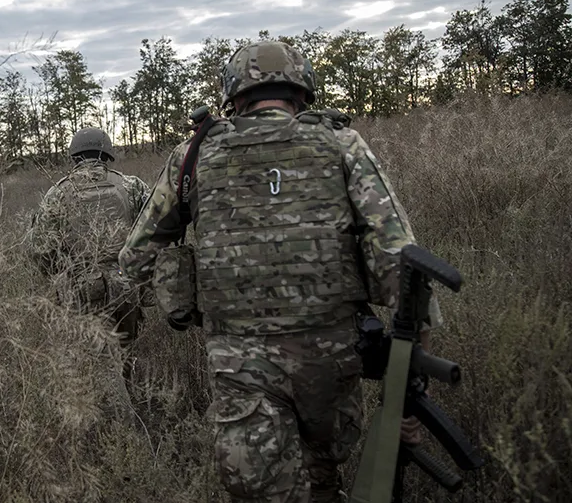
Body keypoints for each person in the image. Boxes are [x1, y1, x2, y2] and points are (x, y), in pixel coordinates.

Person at [118, 41, 443, 503]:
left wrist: (178, 286)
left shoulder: (193, 155)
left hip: (238, 360)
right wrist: (408, 389)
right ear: (302, 91)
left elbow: (135, 258)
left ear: (234, 96)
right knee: (324, 478)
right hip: (331, 356)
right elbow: (403, 264)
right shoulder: (341, 144)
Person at [27, 127, 152, 384]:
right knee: (124, 356)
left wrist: (62, 273)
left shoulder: (58, 194)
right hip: (126, 285)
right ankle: (130, 400)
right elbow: (157, 227)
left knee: (97, 365)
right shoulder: (131, 185)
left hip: (82, 289)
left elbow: (40, 250)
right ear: (106, 154)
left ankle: (115, 416)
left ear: (74, 157)